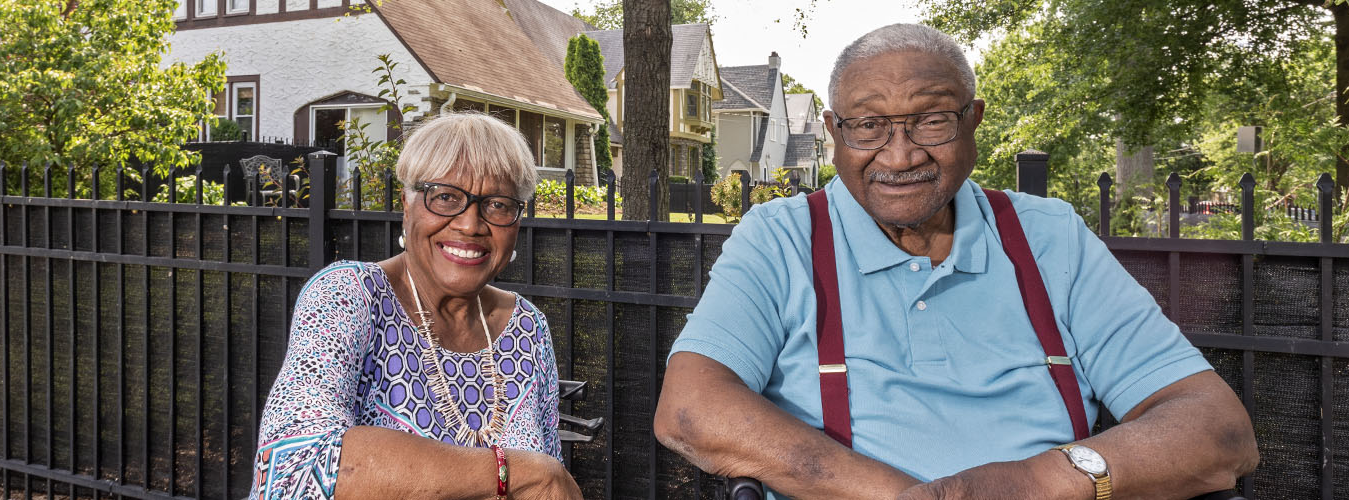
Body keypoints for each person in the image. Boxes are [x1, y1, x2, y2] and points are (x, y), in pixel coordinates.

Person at [654, 24, 1258, 499]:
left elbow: (1218, 431)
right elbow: (690, 409)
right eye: (867, 126)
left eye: (931, 119)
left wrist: (1042, 483)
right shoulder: (780, 238)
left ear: (974, 119)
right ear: (835, 131)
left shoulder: (1048, 237)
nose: (899, 154)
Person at [249, 113, 580, 500]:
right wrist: (514, 472)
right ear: (407, 205)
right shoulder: (349, 296)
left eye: (497, 204)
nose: (470, 224)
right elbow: (292, 472)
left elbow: (550, 486)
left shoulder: (527, 328)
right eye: (445, 197)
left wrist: (540, 477)